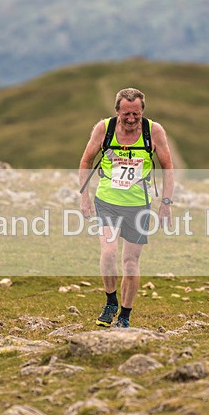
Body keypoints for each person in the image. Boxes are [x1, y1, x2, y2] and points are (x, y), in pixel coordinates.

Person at [79, 88, 175, 329]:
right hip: (107, 201)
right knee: (109, 252)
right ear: (116, 111)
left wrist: (166, 203)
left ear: (142, 111)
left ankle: (125, 315)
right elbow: (85, 161)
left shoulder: (154, 131)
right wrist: (84, 198)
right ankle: (111, 301)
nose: (131, 119)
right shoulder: (104, 129)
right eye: (126, 114)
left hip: (138, 205)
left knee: (130, 262)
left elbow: (168, 167)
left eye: (136, 114)